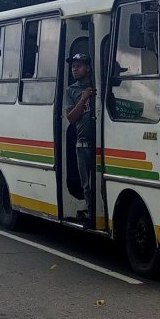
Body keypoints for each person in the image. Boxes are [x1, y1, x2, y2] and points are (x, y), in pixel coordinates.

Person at [65, 53, 96, 224]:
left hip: (101, 144)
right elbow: (71, 117)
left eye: (79, 66)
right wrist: (84, 98)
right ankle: (91, 215)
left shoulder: (96, 86)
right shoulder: (71, 90)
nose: (75, 69)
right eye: (73, 66)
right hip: (82, 144)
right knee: (87, 185)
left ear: (88, 68)